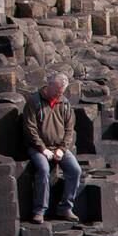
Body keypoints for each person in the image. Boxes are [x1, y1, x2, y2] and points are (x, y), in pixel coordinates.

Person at [22, 71, 81, 224]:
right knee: (43, 169)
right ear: (49, 85)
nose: (58, 94)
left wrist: (62, 148)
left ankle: (65, 207)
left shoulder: (65, 103)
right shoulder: (33, 101)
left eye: (61, 92)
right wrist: (43, 149)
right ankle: (40, 211)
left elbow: (70, 129)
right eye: (56, 91)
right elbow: (30, 128)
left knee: (75, 170)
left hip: (59, 147)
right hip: (37, 148)